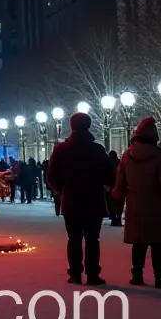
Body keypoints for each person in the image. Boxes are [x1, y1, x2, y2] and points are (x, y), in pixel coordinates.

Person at [46, 110, 115, 285]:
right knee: (93, 239)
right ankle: (93, 274)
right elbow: (110, 176)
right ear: (88, 125)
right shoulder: (97, 149)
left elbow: (52, 177)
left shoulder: (61, 149)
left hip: (71, 201)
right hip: (93, 201)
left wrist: (63, 190)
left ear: (71, 126)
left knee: (74, 239)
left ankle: (75, 273)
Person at [113, 115, 161, 288]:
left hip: (135, 206)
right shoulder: (159, 158)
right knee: (157, 244)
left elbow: (120, 182)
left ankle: (137, 275)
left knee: (139, 243)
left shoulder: (127, 156)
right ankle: (159, 277)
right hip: (158, 207)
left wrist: (118, 198)